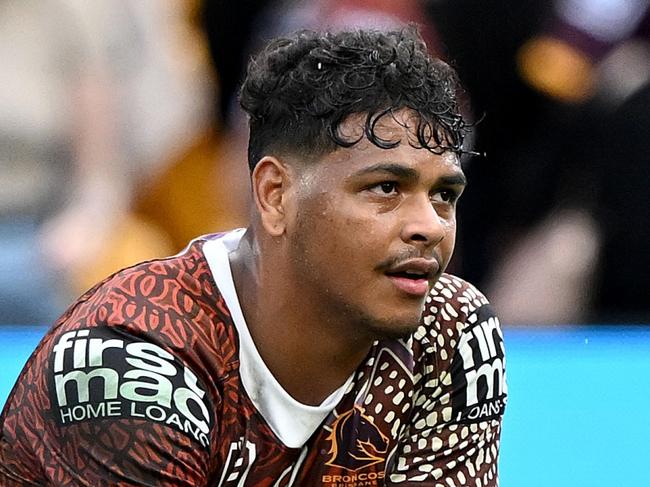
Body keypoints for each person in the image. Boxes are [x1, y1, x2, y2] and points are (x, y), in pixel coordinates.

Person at [0, 27, 507, 486]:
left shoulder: (451, 330)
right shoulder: (127, 360)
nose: (429, 227)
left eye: (444, 195)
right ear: (274, 195)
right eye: (385, 187)